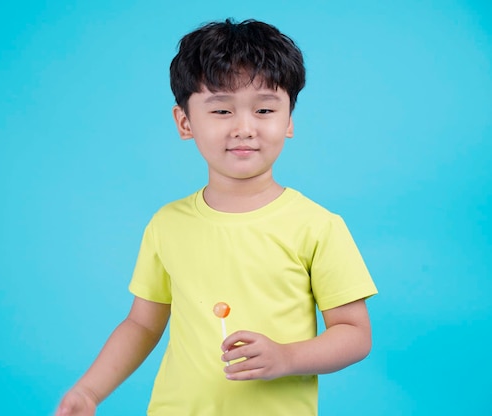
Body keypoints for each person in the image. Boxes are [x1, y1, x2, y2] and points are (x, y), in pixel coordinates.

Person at [56, 18, 378, 416]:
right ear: (185, 122)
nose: (244, 128)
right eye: (222, 109)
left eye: (264, 109)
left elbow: (355, 334)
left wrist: (287, 357)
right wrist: (89, 392)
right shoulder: (167, 224)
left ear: (289, 120)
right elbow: (141, 325)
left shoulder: (318, 226)